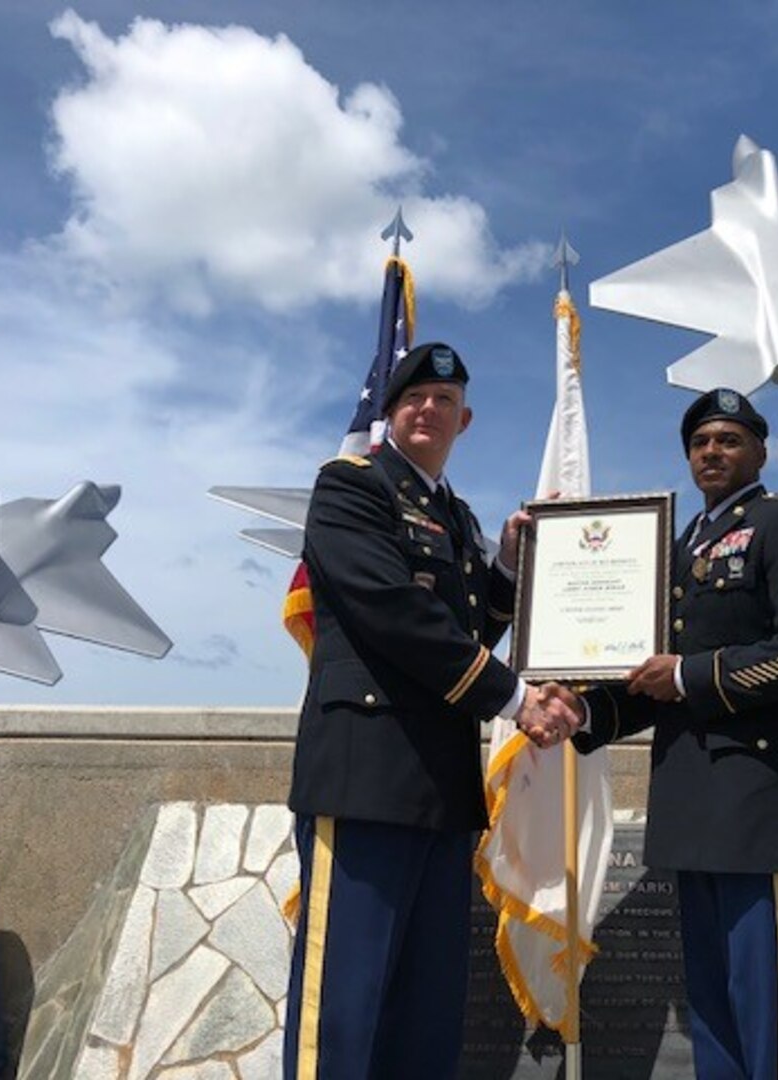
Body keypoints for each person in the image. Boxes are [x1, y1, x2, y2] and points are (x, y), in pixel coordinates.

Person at [282, 341, 580, 1080]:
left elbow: (466, 634)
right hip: (366, 778)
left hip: (442, 791)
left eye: (443, 401)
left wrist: (508, 564)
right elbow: (391, 610)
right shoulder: (351, 486)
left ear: (464, 420)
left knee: (426, 1011)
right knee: (343, 1010)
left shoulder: (456, 514)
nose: (428, 409)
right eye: (413, 397)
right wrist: (516, 699)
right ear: (390, 412)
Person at [571, 387, 778, 1080]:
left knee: (767, 1019)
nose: (712, 452)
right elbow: (650, 677)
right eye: (700, 443)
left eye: (728, 439)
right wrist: (581, 713)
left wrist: (695, 676)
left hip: (761, 809)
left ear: (760, 449)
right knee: (712, 1017)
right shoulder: (676, 548)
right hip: (691, 808)